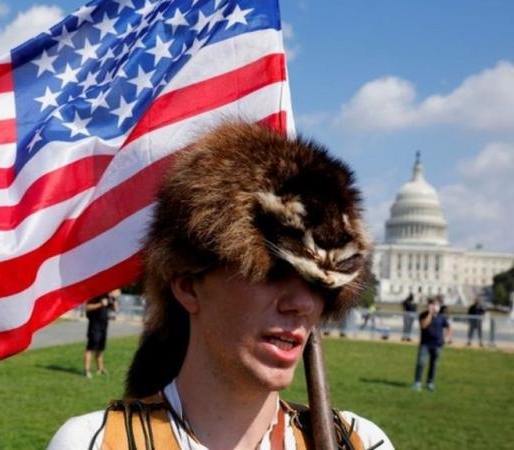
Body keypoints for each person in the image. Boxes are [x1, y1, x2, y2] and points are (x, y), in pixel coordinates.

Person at [49, 122, 393, 449]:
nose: (302, 304)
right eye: (272, 273)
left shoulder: (362, 442)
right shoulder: (94, 443)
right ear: (187, 286)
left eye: (319, 285)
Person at [413, 297, 451, 392]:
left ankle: (430, 383)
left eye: (437, 305)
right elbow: (424, 325)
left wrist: (446, 338)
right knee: (421, 363)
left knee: (434, 365)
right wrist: (430, 313)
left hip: (437, 344)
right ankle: (417, 382)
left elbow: (449, 328)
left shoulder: (441, 317)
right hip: (425, 344)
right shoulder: (423, 315)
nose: (435, 307)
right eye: (433, 304)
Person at [84, 289, 119, 378]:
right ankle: (87, 370)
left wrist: (114, 299)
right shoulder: (95, 295)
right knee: (90, 348)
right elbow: (87, 307)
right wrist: (100, 304)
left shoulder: (108, 296)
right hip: (94, 326)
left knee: (100, 349)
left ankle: (100, 369)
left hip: (104, 327)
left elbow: (116, 309)